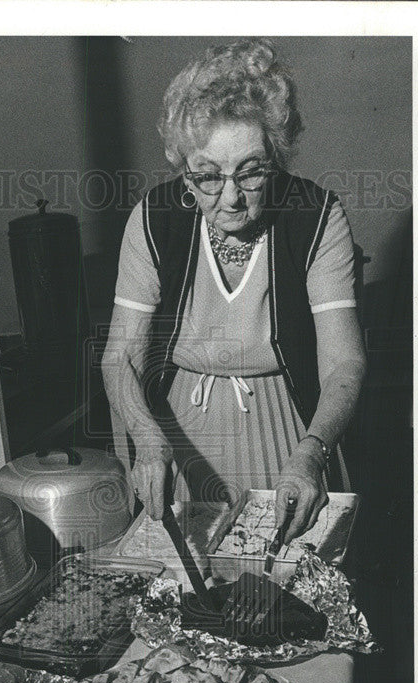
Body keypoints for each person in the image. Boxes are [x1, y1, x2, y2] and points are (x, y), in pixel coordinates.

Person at [102, 39, 366, 544]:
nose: (230, 197)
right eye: (206, 176)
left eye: (251, 171)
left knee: (291, 591)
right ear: (182, 166)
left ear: (276, 155)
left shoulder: (316, 216)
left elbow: (343, 363)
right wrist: (148, 440)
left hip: (292, 431)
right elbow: (121, 357)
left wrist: (311, 454)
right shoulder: (154, 219)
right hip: (179, 433)